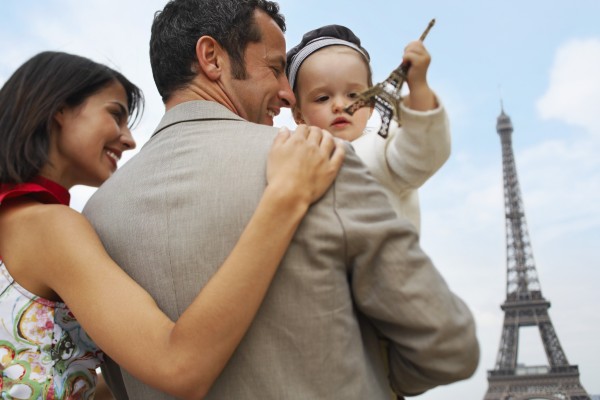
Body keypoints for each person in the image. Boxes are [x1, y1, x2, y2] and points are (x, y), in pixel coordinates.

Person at [83, 0, 480, 399]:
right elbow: (448, 348)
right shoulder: (316, 158)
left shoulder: (96, 216)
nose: (289, 94)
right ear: (211, 58)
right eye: (274, 68)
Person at [0, 51, 344, 400]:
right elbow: (179, 367)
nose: (128, 139)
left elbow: (49, 374)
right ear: (58, 110)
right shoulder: (48, 227)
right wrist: (286, 197)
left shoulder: (14, 221)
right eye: (116, 115)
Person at [287, 24, 451, 233]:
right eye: (322, 98)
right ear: (298, 114)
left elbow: (422, 152)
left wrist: (418, 86)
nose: (339, 105)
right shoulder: (293, 161)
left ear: (371, 105)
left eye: (353, 95)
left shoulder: (384, 146)